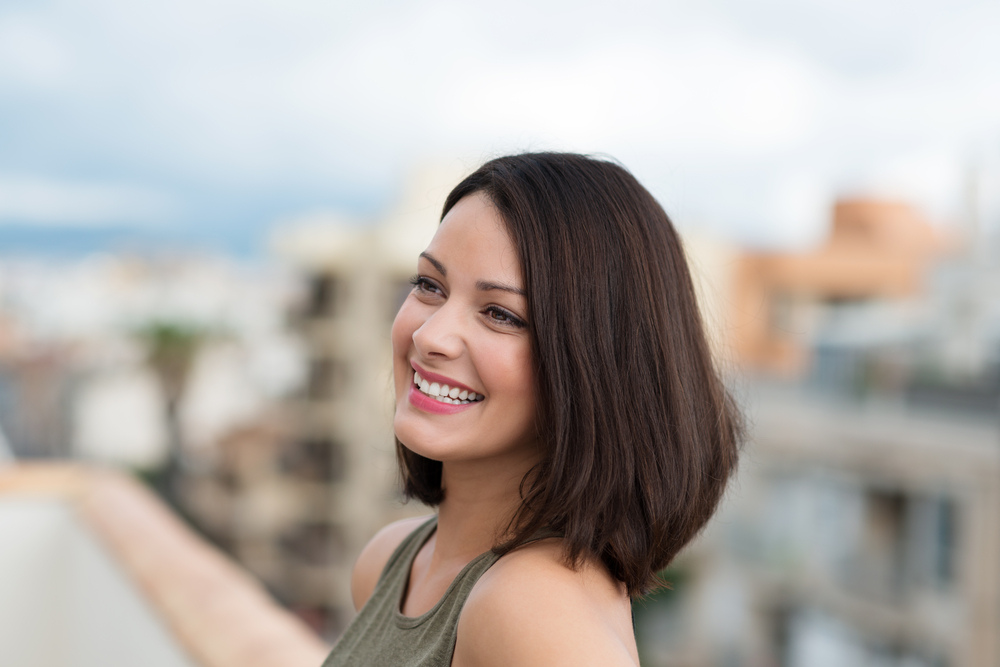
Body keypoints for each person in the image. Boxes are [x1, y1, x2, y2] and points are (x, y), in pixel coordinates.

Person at [322, 152, 743, 666]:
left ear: (596, 368)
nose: (429, 336)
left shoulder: (533, 609)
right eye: (429, 285)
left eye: (499, 314)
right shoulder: (393, 560)